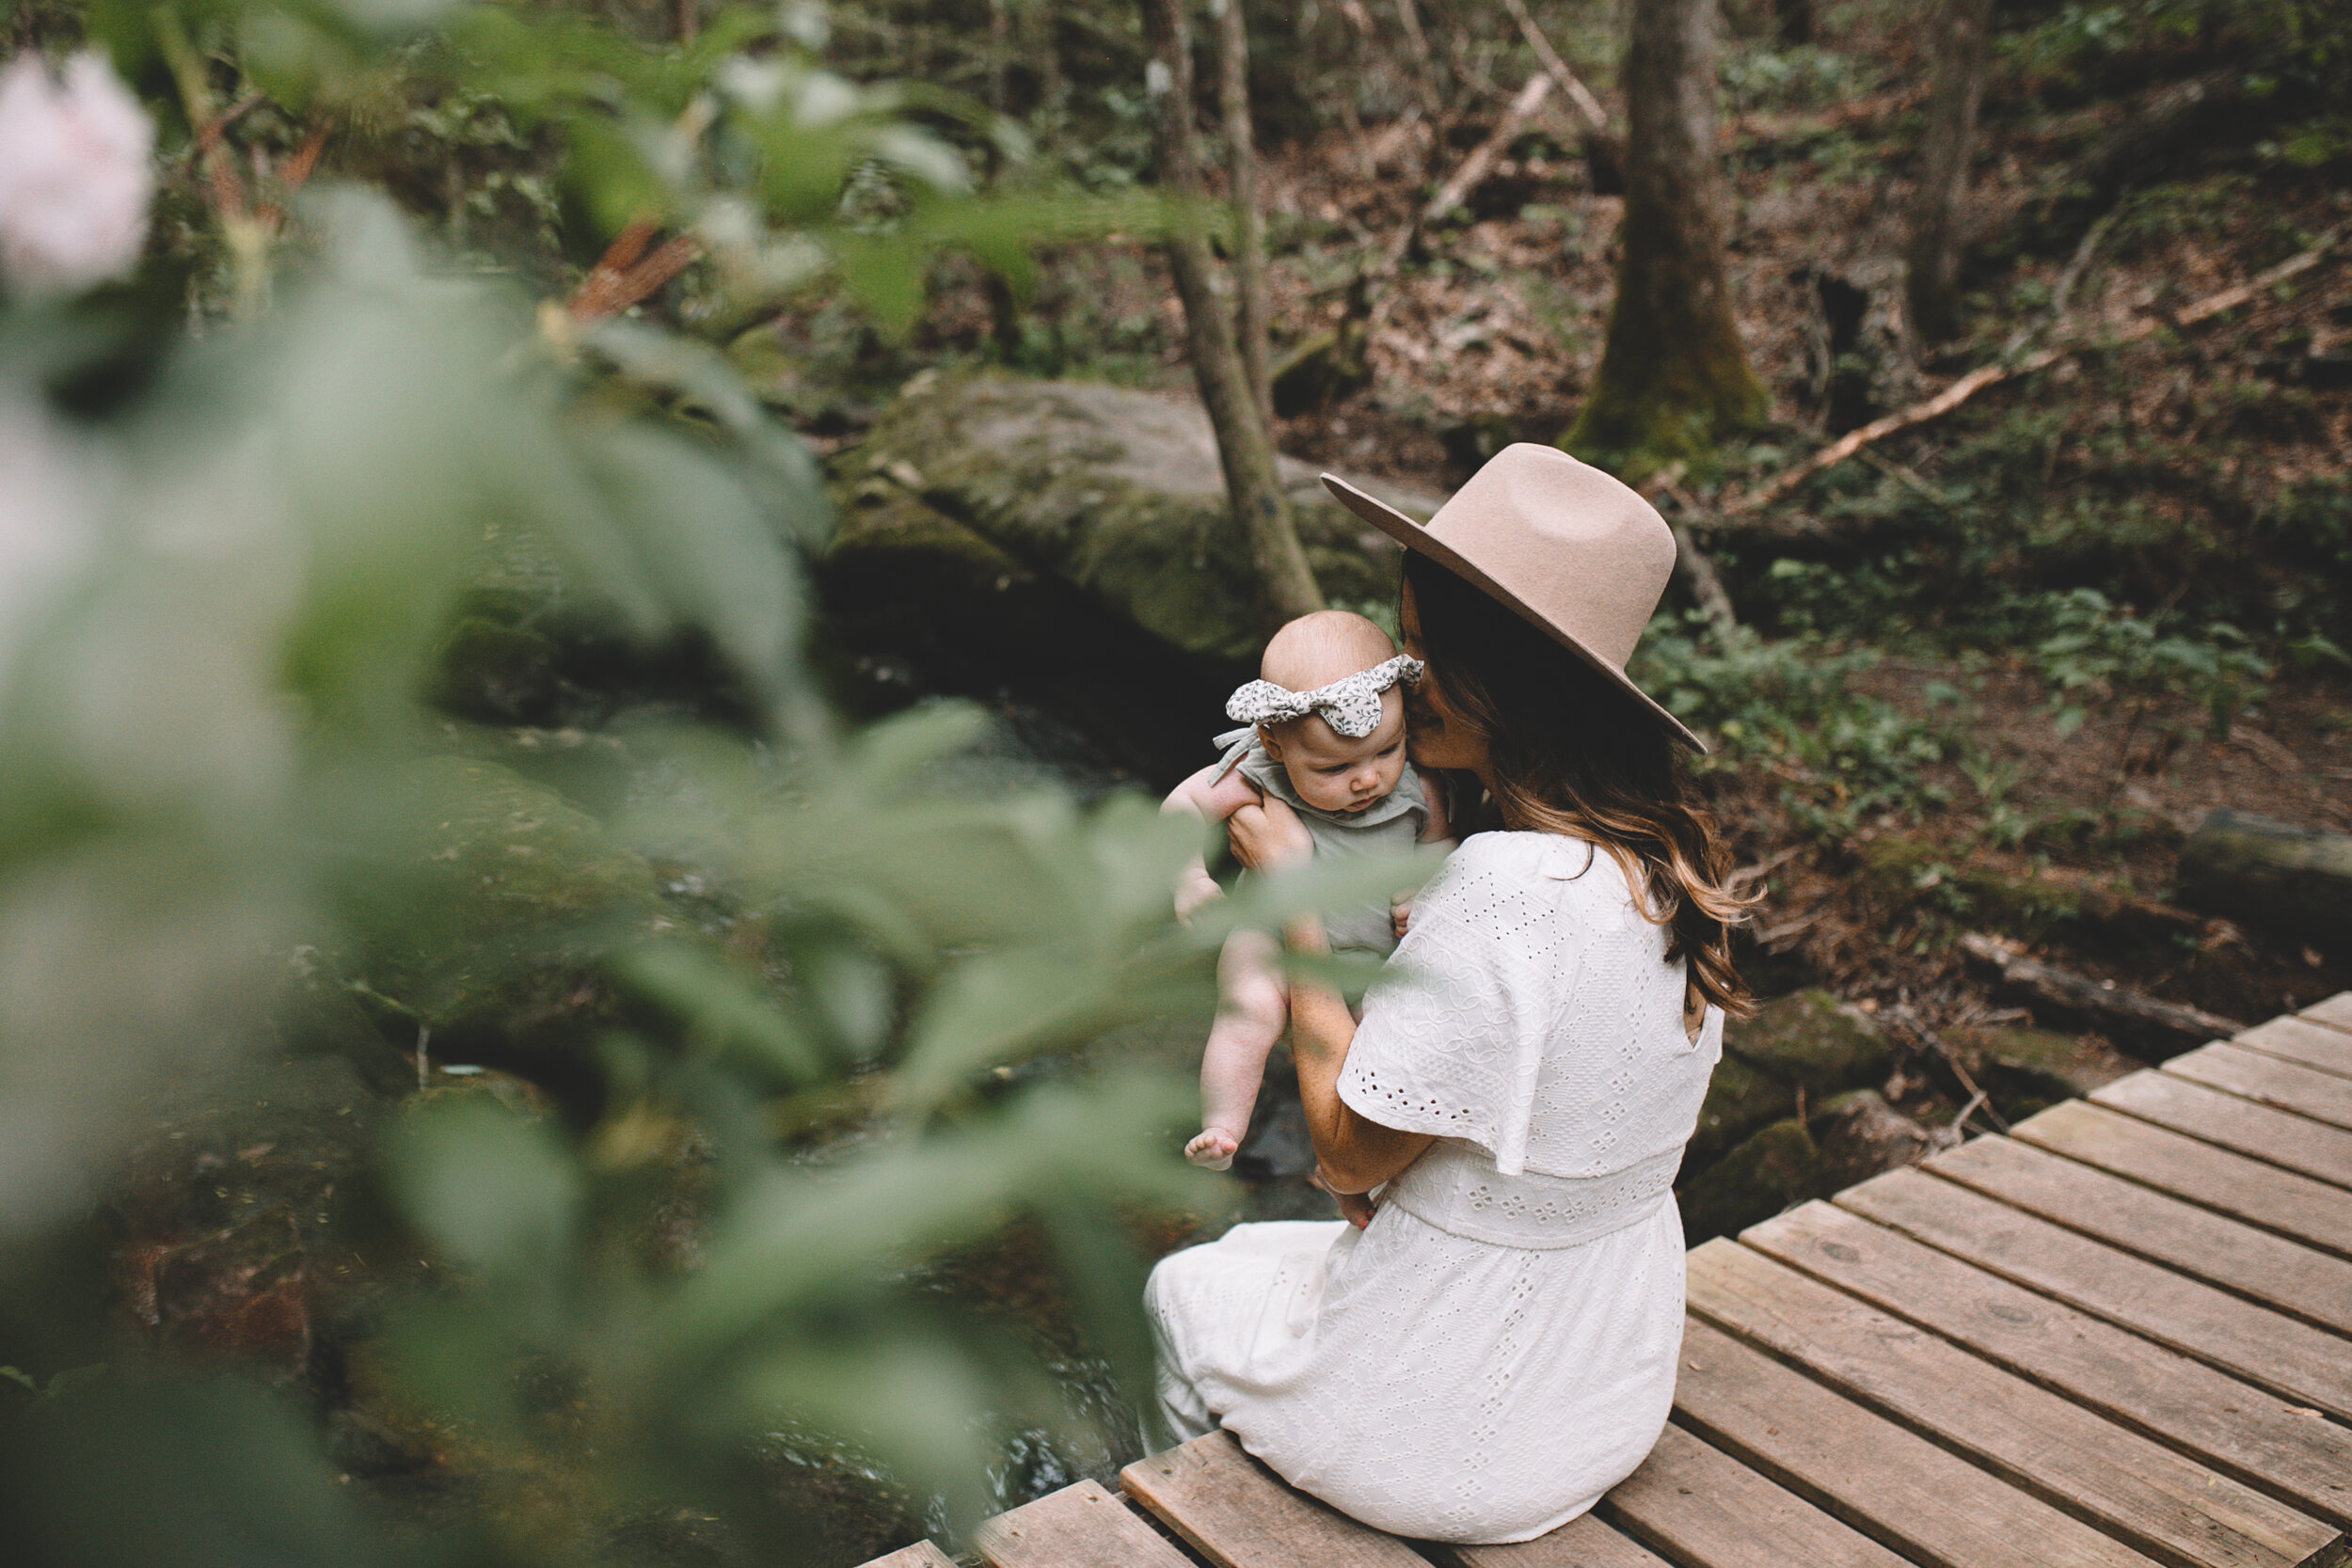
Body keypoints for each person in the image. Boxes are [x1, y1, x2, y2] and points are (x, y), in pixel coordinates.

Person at [1143, 443, 1756, 1544]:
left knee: (1181, 1290)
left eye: (1419, 648)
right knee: (1249, 1257)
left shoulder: (1503, 885)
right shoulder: (1666, 859)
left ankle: (1195, 1534)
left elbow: (1343, 1154)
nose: (1400, 678)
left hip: (1440, 1433)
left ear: (1497, 675)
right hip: (1606, 1391)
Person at [1161, 610, 1454, 1170]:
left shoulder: (1420, 786)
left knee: (1385, 1049)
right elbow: (1184, 806)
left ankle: (1345, 1152)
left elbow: (1440, 846)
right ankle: (1223, 1128)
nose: (1367, 778)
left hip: (1375, 958)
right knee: (1246, 1010)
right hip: (1271, 939)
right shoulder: (1256, 769)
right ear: (1274, 742)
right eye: (1333, 767)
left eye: (1386, 751)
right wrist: (1189, 876)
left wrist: (1423, 883)